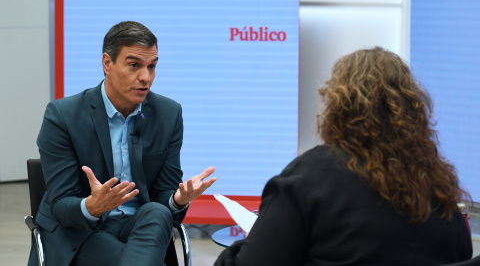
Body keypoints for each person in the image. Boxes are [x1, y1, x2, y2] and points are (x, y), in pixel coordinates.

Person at [214, 47, 472, 266]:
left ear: (338, 106)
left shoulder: (308, 179)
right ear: (411, 109)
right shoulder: (439, 192)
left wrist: (250, 241)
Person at [27, 21, 216, 266]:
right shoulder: (63, 115)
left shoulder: (168, 114)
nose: (146, 77)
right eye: (134, 65)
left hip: (141, 229)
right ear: (107, 63)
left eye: (152, 66)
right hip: (82, 231)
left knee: (157, 212)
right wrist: (93, 206)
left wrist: (178, 200)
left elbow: (163, 198)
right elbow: (62, 205)